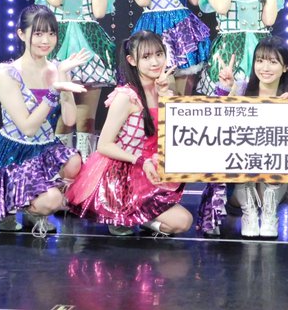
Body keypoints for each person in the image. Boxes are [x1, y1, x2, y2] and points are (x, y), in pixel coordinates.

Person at [0, 5, 89, 237]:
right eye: (38, 33)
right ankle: (11, 205)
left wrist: (63, 77)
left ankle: (32, 210)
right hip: (13, 153)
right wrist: (54, 91)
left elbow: (69, 120)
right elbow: (28, 128)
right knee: (53, 200)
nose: (46, 40)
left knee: (74, 162)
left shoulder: (57, 68)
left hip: (44, 148)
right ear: (21, 34)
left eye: (51, 33)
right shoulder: (6, 73)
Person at [66, 30, 193, 237]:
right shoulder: (126, 96)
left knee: (183, 222)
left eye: (159, 54)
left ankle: (139, 218)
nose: (155, 62)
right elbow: (104, 145)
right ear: (132, 60)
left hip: (153, 169)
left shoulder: (164, 90)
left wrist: (165, 96)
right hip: (123, 172)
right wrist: (140, 160)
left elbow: (177, 137)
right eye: (146, 57)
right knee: (180, 221)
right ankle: (128, 215)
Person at [197, 37, 288, 238]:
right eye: (260, 60)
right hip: (239, 182)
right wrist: (225, 90)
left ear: (285, 67)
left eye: (273, 62)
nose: (265, 67)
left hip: (275, 181)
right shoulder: (240, 89)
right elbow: (216, 126)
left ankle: (269, 215)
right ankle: (249, 214)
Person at [29, 0, 117, 159]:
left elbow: (99, 12)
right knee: (62, 117)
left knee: (86, 120)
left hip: (89, 48)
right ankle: (61, 168)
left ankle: (86, 170)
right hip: (58, 48)